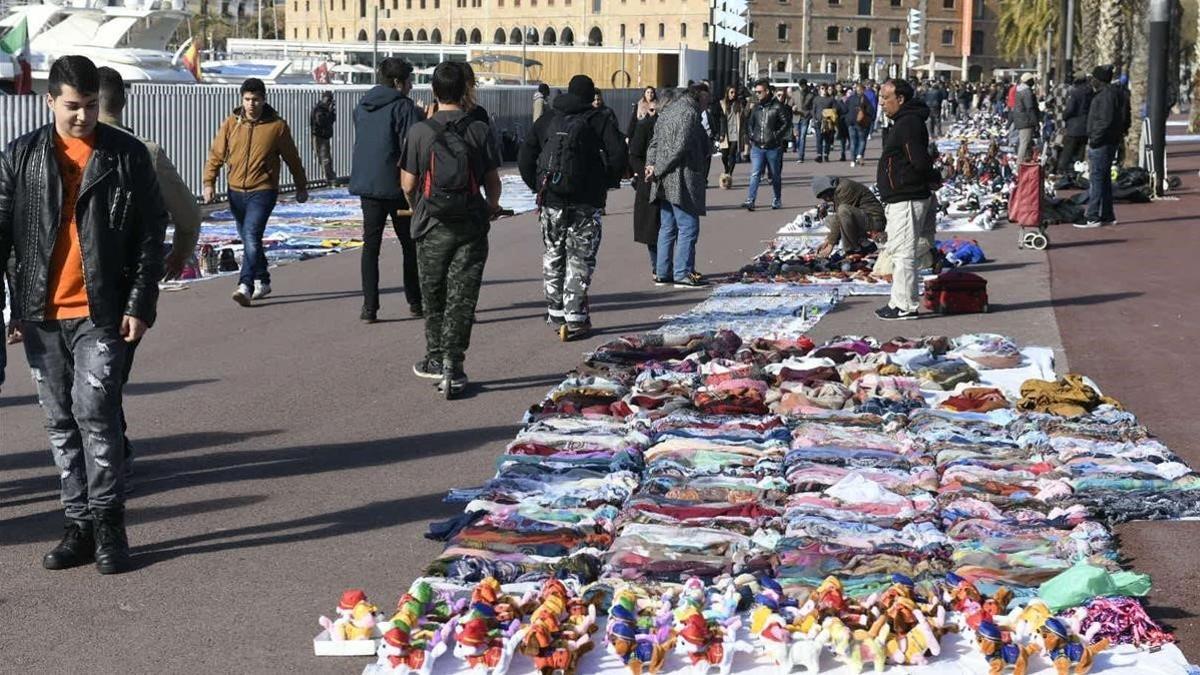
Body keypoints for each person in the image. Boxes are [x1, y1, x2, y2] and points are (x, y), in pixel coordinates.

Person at [0, 55, 167, 574]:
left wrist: (141, 303)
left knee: (95, 411)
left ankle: (110, 524)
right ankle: (78, 524)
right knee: (58, 421)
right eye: (73, 106)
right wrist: (10, 306)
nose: (82, 116)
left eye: (91, 106)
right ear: (50, 101)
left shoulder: (126, 156)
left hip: (101, 309)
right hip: (41, 314)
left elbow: (149, 232)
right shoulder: (20, 156)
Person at [96, 66, 201, 477]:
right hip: (129, 283)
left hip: (69, 284)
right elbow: (189, 214)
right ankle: (112, 457)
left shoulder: (54, 148)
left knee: (82, 379)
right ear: (123, 101)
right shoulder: (145, 150)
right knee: (109, 375)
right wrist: (180, 252)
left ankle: (104, 462)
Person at [400, 61, 502, 395]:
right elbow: (492, 182)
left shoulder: (419, 131)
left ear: (433, 91)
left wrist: (418, 209)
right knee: (462, 296)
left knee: (435, 296)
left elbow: (408, 183)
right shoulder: (479, 130)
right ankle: (453, 365)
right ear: (465, 91)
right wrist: (490, 207)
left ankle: (433, 357)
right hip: (471, 224)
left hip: (431, 225)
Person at [518, 74, 627, 341]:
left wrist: (538, 185)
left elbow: (525, 156)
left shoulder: (548, 119)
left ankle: (555, 313)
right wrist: (606, 182)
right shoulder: (599, 120)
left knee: (554, 254)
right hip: (586, 202)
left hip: (552, 200)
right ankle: (576, 317)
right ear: (591, 96)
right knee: (580, 258)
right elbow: (618, 155)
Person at [203, 77, 308, 307]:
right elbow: (216, 154)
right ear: (242, 100)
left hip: (263, 190)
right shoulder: (231, 123)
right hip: (235, 191)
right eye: (247, 99)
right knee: (249, 238)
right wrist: (209, 182)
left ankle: (245, 285)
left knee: (251, 235)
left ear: (264, 100)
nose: (251, 104)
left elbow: (292, 158)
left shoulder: (277, 126)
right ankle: (264, 280)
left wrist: (301, 185)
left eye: (256, 99)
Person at [349, 57, 425, 323]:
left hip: (367, 184)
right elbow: (412, 145)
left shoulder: (362, 105)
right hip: (396, 185)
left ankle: (369, 307)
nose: (411, 86)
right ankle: (415, 301)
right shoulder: (404, 107)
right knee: (409, 244)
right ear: (397, 83)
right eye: (409, 81)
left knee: (371, 246)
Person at [874, 78, 935, 321]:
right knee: (902, 250)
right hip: (905, 194)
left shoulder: (908, 123)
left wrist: (926, 178)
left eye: (885, 98)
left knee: (903, 253)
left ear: (900, 99)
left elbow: (917, 159)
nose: (882, 103)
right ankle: (898, 301)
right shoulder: (903, 121)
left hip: (907, 196)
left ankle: (905, 305)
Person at [645, 85, 709, 288]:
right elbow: (679, 147)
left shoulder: (668, 110)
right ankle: (682, 273)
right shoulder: (689, 112)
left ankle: (663, 272)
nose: (708, 104)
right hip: (680, 178)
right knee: (688, 226)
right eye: (707, 100)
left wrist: (651, 164)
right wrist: (659, 168)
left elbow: (654, 143)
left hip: (663, 180)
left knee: (668, 226)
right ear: (699, 97)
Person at [1076, 65, 1125, 229]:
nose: (1091, 81)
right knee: (1103, 180)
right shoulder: (1113, 93)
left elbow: (1105, 120)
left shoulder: (1105, 96)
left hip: (1102, 143)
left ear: (1099, 80)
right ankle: (1107, 215)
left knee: (1096, 180)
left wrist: (1095, 139)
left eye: (1093, 78)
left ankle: (1093, 216)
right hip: (1108, 141)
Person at [742, 79, 791, 211]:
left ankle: (777, 199)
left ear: (767, 91)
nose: (757, 94)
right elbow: (750, 123)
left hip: (773, 147)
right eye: (756, 92)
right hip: (757, 147)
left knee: (774, 175)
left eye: (759, 92)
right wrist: (752, 136)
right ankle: (750, 199)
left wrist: (775, 136)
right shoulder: (757, 107)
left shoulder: (777, 106)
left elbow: (786, 123)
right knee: (755, 173)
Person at [811, 175, 885, 256]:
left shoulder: (844, 188)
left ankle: (852, 250)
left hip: (874, 220)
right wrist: (828, 241)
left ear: (827, 190)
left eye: (824, 197)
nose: (825, 200)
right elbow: (837, 219)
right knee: (829, 220)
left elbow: (841, 217)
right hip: (863, 217)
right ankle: (864, 243)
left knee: (843, 210)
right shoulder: (837, 190)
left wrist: (831, 245)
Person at [628, 99, 660, 275]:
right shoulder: (643, 127)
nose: (655, 114)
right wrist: (645, 172)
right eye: (652, 110)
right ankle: (657, 266)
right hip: (648, 184)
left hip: (666, 183)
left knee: (667, 228)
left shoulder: (667, 127)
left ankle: (664, 265)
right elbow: (634, 155)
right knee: (651, 228)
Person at [1057, 75, 1092, 180]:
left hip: (1074, 126)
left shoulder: (1075, 92)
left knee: (1068, 150)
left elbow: (1070, 109)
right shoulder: (1091, 92)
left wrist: (1064, 116)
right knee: (1080, 151)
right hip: (1085, 126)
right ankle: (1078, 172)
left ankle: (1062, 171)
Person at [717, 85, 745, 188]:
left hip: (735, 132)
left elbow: (743, 117)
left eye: (734, 92)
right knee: (724, 155)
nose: (733, 94)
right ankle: (726, 168)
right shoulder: (722, 103)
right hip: (725, 132)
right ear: (727, 93)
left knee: (732, 154)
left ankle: (729, 174)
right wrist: (720, 133)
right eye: (731, 92)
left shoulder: (738, 104)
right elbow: (719, 119)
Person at [1012, 73, 1041, 162]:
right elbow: (1030, 108)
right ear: (1028, 81)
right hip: (1026, 121)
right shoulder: (1027, 92)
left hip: (1021, 120)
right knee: (1024, 144)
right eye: (1032, 80)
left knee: (1026, 143)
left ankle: (1025, 163)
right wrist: (1036, 122)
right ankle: (1020, 166)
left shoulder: (1019, 90)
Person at [310, 90, 337, 184]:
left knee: (326, 156)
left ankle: (329, 176)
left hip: (324, 135)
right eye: (328, 99)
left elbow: (332, 119)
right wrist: (329, 112)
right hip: (319, 135)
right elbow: (321, 121)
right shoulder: (319, 109)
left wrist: (331, 112)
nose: (330, 101)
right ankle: (329, 178)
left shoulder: (324, 109)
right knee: (324, 157)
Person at [846, 83, 871, 167]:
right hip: (860, 123)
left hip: (851, 122)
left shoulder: (850, 98)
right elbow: (870, 110)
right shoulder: (865, 99)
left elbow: (845, 109)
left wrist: (847, 118)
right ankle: (859, 154)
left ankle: (852, 161)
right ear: (863, 90)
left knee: (853, 141)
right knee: (862, 140)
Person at [811, 84, 837, 163]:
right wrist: (814, 119)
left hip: (828, 122)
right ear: (819, 90)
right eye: (822, 88)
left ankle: (826, 154)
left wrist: (832, 118)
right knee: (819, 139)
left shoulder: (831, 99)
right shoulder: (816, 99)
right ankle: (819, 155)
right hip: (818, 122)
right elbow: (813, 110)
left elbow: (834, 110)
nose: (824, 90)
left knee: (827, 139)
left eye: (825, 89)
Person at [792, 81, 814, 163]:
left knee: (802, 137)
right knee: (797, 137)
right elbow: (790, 104)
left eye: (803, 86)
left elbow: (812, 107)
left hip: (805, 117)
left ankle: (801, 156)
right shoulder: (794, 94)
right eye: (801, 86)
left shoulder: (810, 95)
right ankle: (798, 148)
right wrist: (792, 108)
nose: (802, 87)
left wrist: (809, 113)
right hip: (796, 117)